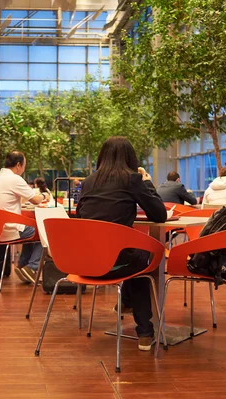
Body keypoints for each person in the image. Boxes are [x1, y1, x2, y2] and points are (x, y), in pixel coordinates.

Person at [76, 136, 167, 351]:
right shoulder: (132, 179)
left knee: (129, 255)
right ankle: (144, 332)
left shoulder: (89, 182)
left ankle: (126, 301)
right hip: (116, 263)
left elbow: (81, 216)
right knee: (142, 258)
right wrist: (146, 182)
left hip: (86, 262)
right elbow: (160, 214)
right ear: (130, 158)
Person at [0, 151, 47, 283]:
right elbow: (35, 200)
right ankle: (32, 267)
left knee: (31, 230)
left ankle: (22, 266)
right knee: (44, 231)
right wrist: (44, 196)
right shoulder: (14, 179)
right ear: (18, 165)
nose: (24, 168)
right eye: (24, 165)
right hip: (10, 229)